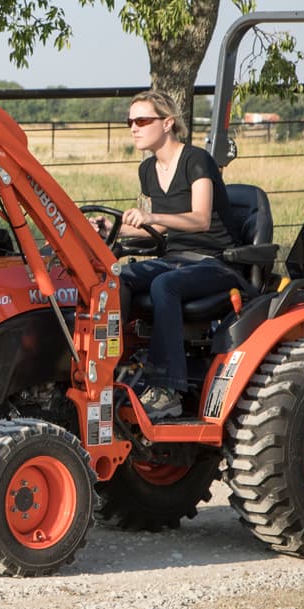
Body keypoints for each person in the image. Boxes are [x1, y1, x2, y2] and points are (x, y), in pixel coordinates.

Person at [115, 88, 246, 420]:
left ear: (168, 122)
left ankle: (167, 390)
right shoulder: (147, 170)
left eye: (142, 120)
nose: (134, 128)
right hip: (175, 259)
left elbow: (200, 220)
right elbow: (156, 228)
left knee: (165, 285)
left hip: (215, 262)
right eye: (130, 122)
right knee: (118, 278)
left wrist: (151, 217)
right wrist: (113, 229)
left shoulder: (196, 160)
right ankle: (112, 367)